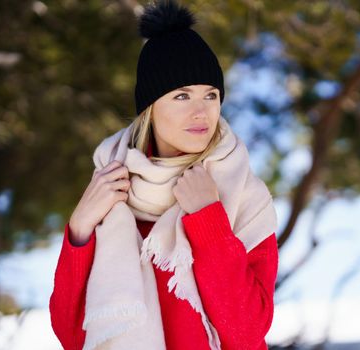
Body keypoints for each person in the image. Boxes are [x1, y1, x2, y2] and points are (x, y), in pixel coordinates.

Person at [48, 1, 279, 349]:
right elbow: (72, 334)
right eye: (182, 95)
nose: (202, 111)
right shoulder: (112, 193)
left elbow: (247, 332)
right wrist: (80, 228)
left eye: (211, 95)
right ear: (150, 109)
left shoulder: (244, 195)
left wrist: (208, 221)